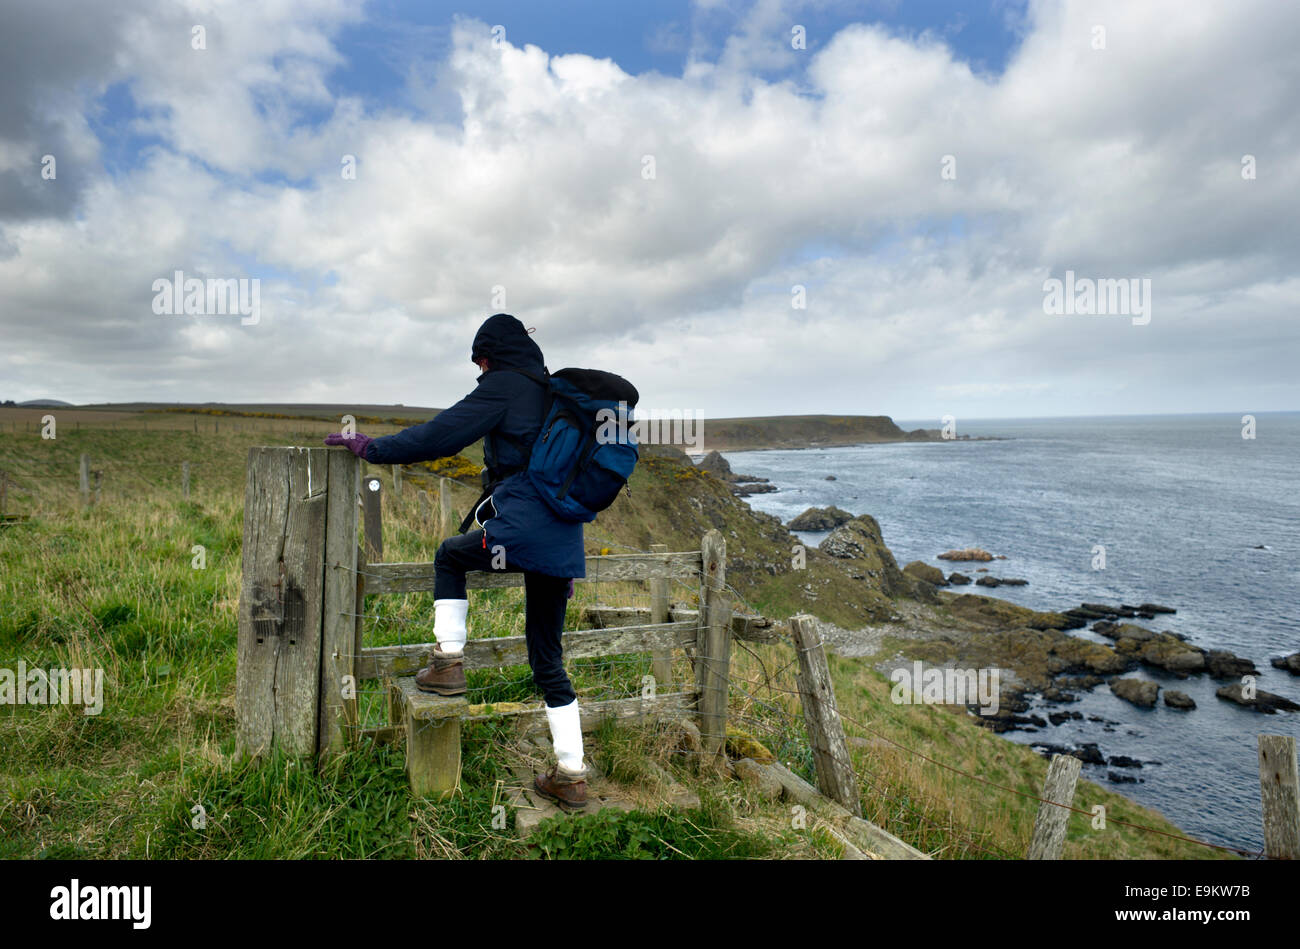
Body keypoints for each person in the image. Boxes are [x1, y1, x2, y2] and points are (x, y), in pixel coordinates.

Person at [324, 313, 589, 810]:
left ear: (493, 356)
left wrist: (371, 447)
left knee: (449, 554)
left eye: (480, 361)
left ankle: (447, 663)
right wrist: (557, 561)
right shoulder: (556, 394)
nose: (479, 371)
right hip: (562, 539)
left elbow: (441, 435)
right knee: (547, 658)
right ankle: (572, 776)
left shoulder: (505, 386)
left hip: (522, 530)